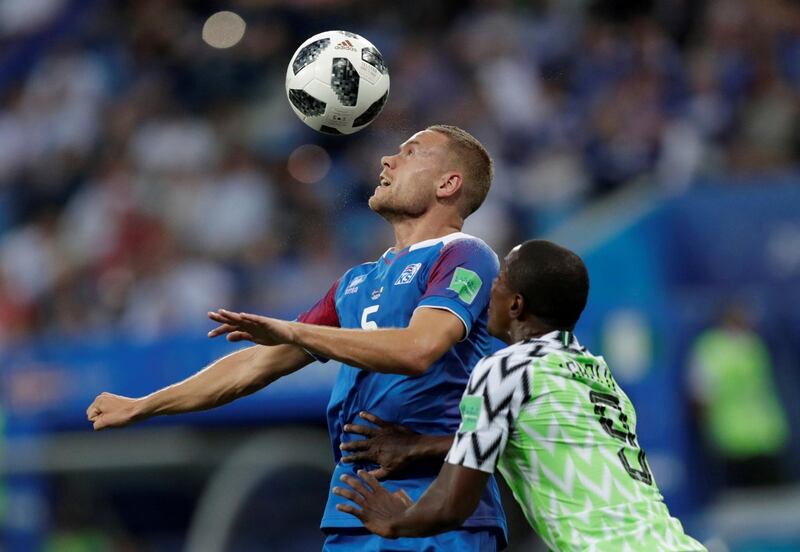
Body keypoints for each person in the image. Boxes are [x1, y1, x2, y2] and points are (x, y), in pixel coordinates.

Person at [86, 125, 507, 551]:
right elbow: (255, 364)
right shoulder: (355, 283)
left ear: (448, 183)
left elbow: (420, 348)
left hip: (439, 513)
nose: (387, 160)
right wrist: (145, 404)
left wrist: (295, 329)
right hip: (353, 512)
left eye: (412, 153)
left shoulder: (464, 253)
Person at [333, 240, 707, 551]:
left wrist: (397, 520)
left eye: (497, 285)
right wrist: (421, 445)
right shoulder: (595, 372)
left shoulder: (506, 369)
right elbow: (539, 437)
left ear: (516, 305)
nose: (487, 295)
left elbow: (452, 505)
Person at [688, 304, 789, 488]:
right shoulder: (710, 349)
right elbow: (700, 394)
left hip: (766, 436)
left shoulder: (754, 344)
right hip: (733, 441)